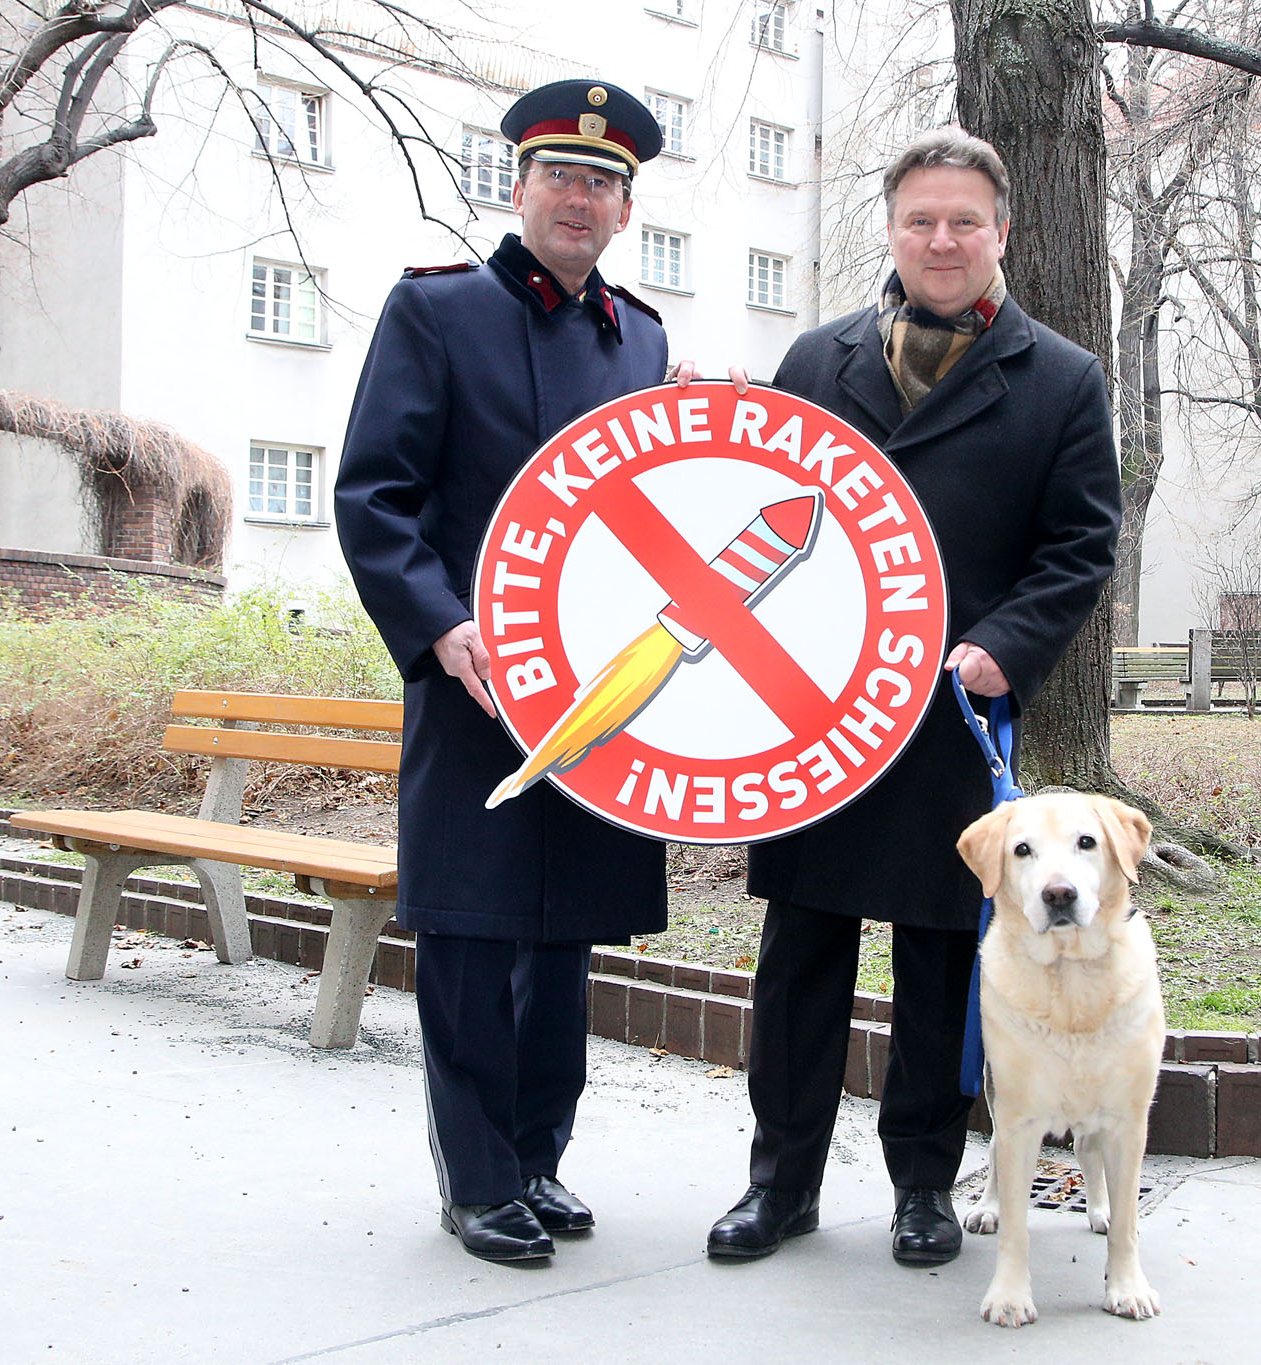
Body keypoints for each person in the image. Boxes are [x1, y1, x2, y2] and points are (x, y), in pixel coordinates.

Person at [705, 128, 1122, 1267]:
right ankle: (777, 1184)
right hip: (819, 712)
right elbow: (759, 512)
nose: (941, 240)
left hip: (952, 715)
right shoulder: (816, 358)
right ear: (891, 229)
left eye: (964, 221)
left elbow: (1080, 546)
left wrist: (1004, 647)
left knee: (942, 960)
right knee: (802, 956)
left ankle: (922, 1189)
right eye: (920, 220)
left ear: (1001, 233)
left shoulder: (1064, 379)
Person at [335, 79, 673, 1267]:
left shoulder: (642, 337)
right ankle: (476, 1182)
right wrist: (436, 628)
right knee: (472, 940)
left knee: (565, 938)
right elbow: (375, 495)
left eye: (603, 184)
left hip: (599, 691)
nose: (580, 199)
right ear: (519, 187)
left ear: (625, 211)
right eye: (560, 176)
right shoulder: (436, 313)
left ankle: (536, 1157)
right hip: (473, 683)